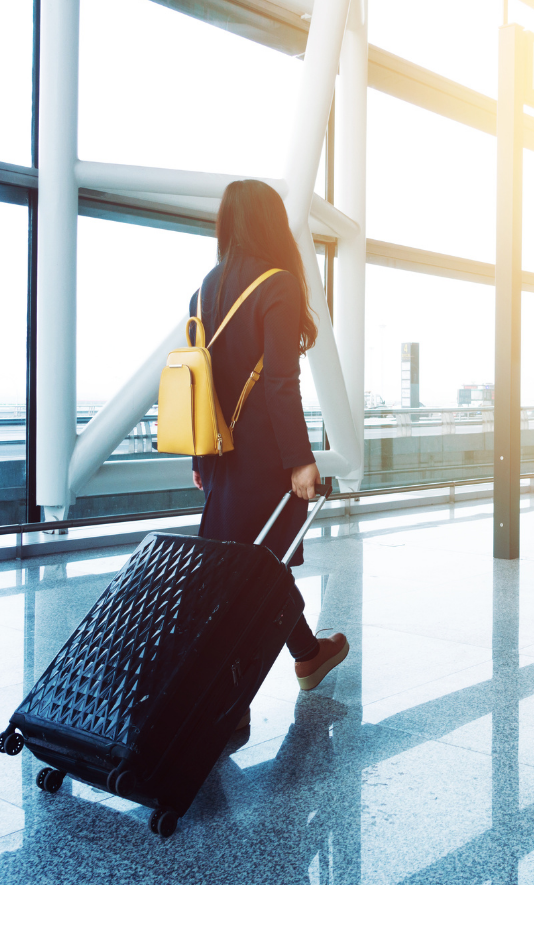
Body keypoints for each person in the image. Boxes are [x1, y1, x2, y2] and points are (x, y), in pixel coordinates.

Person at [190, 180, 349, 724]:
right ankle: (232, 699)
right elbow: (281, 381)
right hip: (264, 459)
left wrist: (200, 461)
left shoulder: (204, 290)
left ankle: (307, 656)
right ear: (269, 223)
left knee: (249, 569)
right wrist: (300, 459)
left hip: (220, 457)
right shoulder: (278, 284)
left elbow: (199, 387)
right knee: (260, 572)